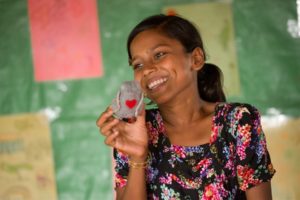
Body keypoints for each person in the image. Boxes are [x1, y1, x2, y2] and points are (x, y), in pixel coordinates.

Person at [97, 14, 275, 200]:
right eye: (138, 64)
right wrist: (137, 157)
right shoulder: (134, 129)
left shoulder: (238, 122)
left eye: (159, 55)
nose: (147, 69)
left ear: (196, 58)